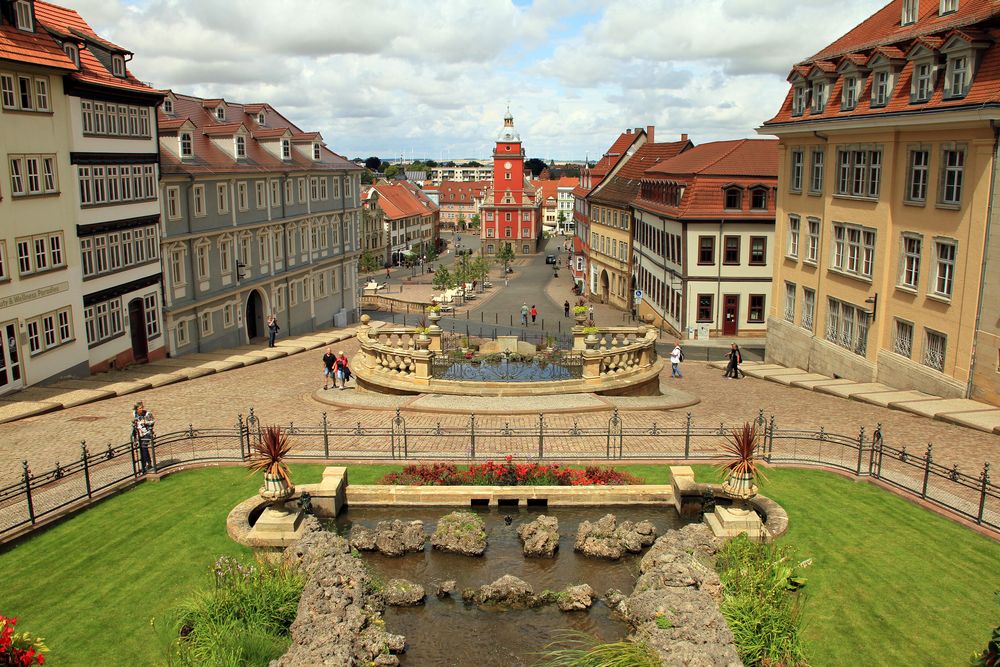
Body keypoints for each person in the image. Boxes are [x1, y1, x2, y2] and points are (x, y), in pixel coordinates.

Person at [135, 403, 155, 473]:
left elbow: (153, 421)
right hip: (140, 434)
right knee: (142, 449)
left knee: (144, 447)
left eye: (142, 408)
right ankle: (147, 464)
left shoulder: (147, 414)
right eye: (140, 408)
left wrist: (145, 422)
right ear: (136, 409)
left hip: (147, 433)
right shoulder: (135, 414)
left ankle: (145, 466)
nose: (141, 409)